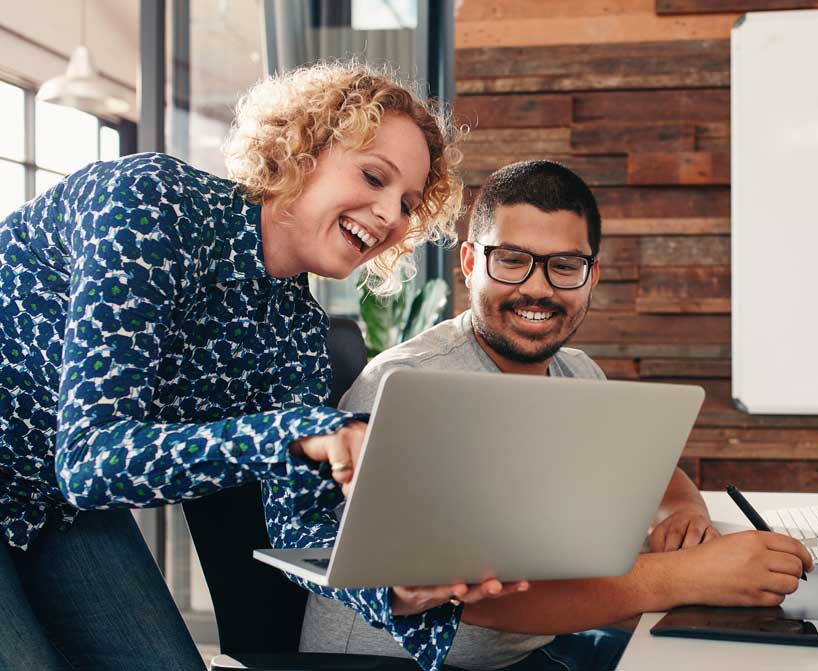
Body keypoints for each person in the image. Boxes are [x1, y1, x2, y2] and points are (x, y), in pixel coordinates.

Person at [0, 62, 515, 671]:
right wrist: (293, 434)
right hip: (63, 477)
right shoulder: (151, 203)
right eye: (374, 177)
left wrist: (393, 590)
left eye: (406, 204)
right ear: (298, 151)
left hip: (53, 504)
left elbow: (296, 526)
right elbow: (91, 460)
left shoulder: (297, 333)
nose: (388, 215)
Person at [298, 160, 814, 671]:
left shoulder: (577, 373)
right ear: (470, 264)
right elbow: (486, 600)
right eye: (512, 259)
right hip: (399, 664)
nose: (539, 289)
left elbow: (646, 469)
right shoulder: (410, 386)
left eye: (564, 266)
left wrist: (683, 516)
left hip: (530, 653)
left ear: (592, 277)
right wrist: (686, 576)